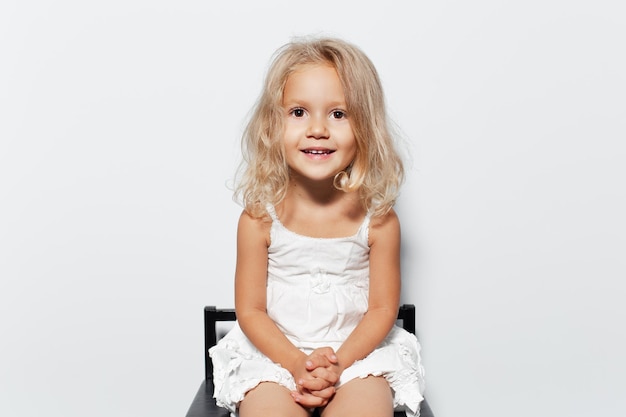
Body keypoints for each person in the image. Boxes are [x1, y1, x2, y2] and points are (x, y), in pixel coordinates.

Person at [209, 37, 425, 417]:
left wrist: (338, 365)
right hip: (274, 357)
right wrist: (297, 365)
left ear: (366, 128)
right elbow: (252, 311)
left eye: (338, 114)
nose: (318, 129)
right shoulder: (259, 219)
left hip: (357, 358)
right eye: (298, 112)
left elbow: (380, 310)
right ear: (272, 124)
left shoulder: (380, 221)